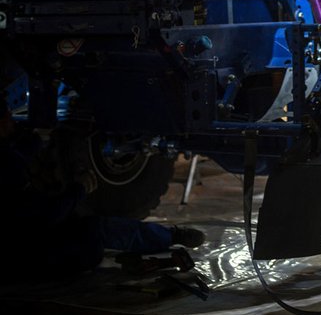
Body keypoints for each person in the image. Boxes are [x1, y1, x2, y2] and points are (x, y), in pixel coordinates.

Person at [0, 118, 205, 278]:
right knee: (94, 233)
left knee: (86, 226)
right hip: (25, 255)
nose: (11, 119)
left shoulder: (9, 159)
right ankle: (170, 236)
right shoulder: (9, 166)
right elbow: (46, 215)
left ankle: (168, 237)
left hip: (20, 244)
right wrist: (79, 189)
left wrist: (32, 138)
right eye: (7, 117)